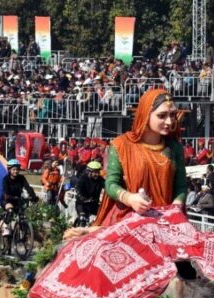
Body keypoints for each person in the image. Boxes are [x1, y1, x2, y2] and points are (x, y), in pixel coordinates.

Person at [94, 89, 186, 225]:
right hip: (127, 218)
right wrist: (129, 198)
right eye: (162, 116)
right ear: (146, 115)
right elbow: (111, 184)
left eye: (172, 115)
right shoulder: (121, 145)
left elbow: (181, 187)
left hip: (165, 220)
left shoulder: (175, 148)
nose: (169, 121)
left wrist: (176, 207)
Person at [0, 159, 38, 233]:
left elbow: (28, 187)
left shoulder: (21, 178)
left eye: (17, 169)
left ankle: (21, 233)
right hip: (6, 199)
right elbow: (6, 193)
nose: (16, 171)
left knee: (21, 215)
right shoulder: (6, 179)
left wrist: (33, 196)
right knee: (10, 211)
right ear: (9, 170)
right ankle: (5, 227)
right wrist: (11, 197)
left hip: (17, 200)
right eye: (14, 169)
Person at [74, 161, 104, 225]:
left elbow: (107, 186)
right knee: (82, 219)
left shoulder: (100, 180)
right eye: (95, 172)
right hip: (82, 204)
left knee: (104, 216)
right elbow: (78, 189)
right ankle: (79, 226)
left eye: (98, 172)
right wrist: (84, 198)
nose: (97, 174)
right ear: (89, 172)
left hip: (94, 204)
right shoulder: (83, 178)